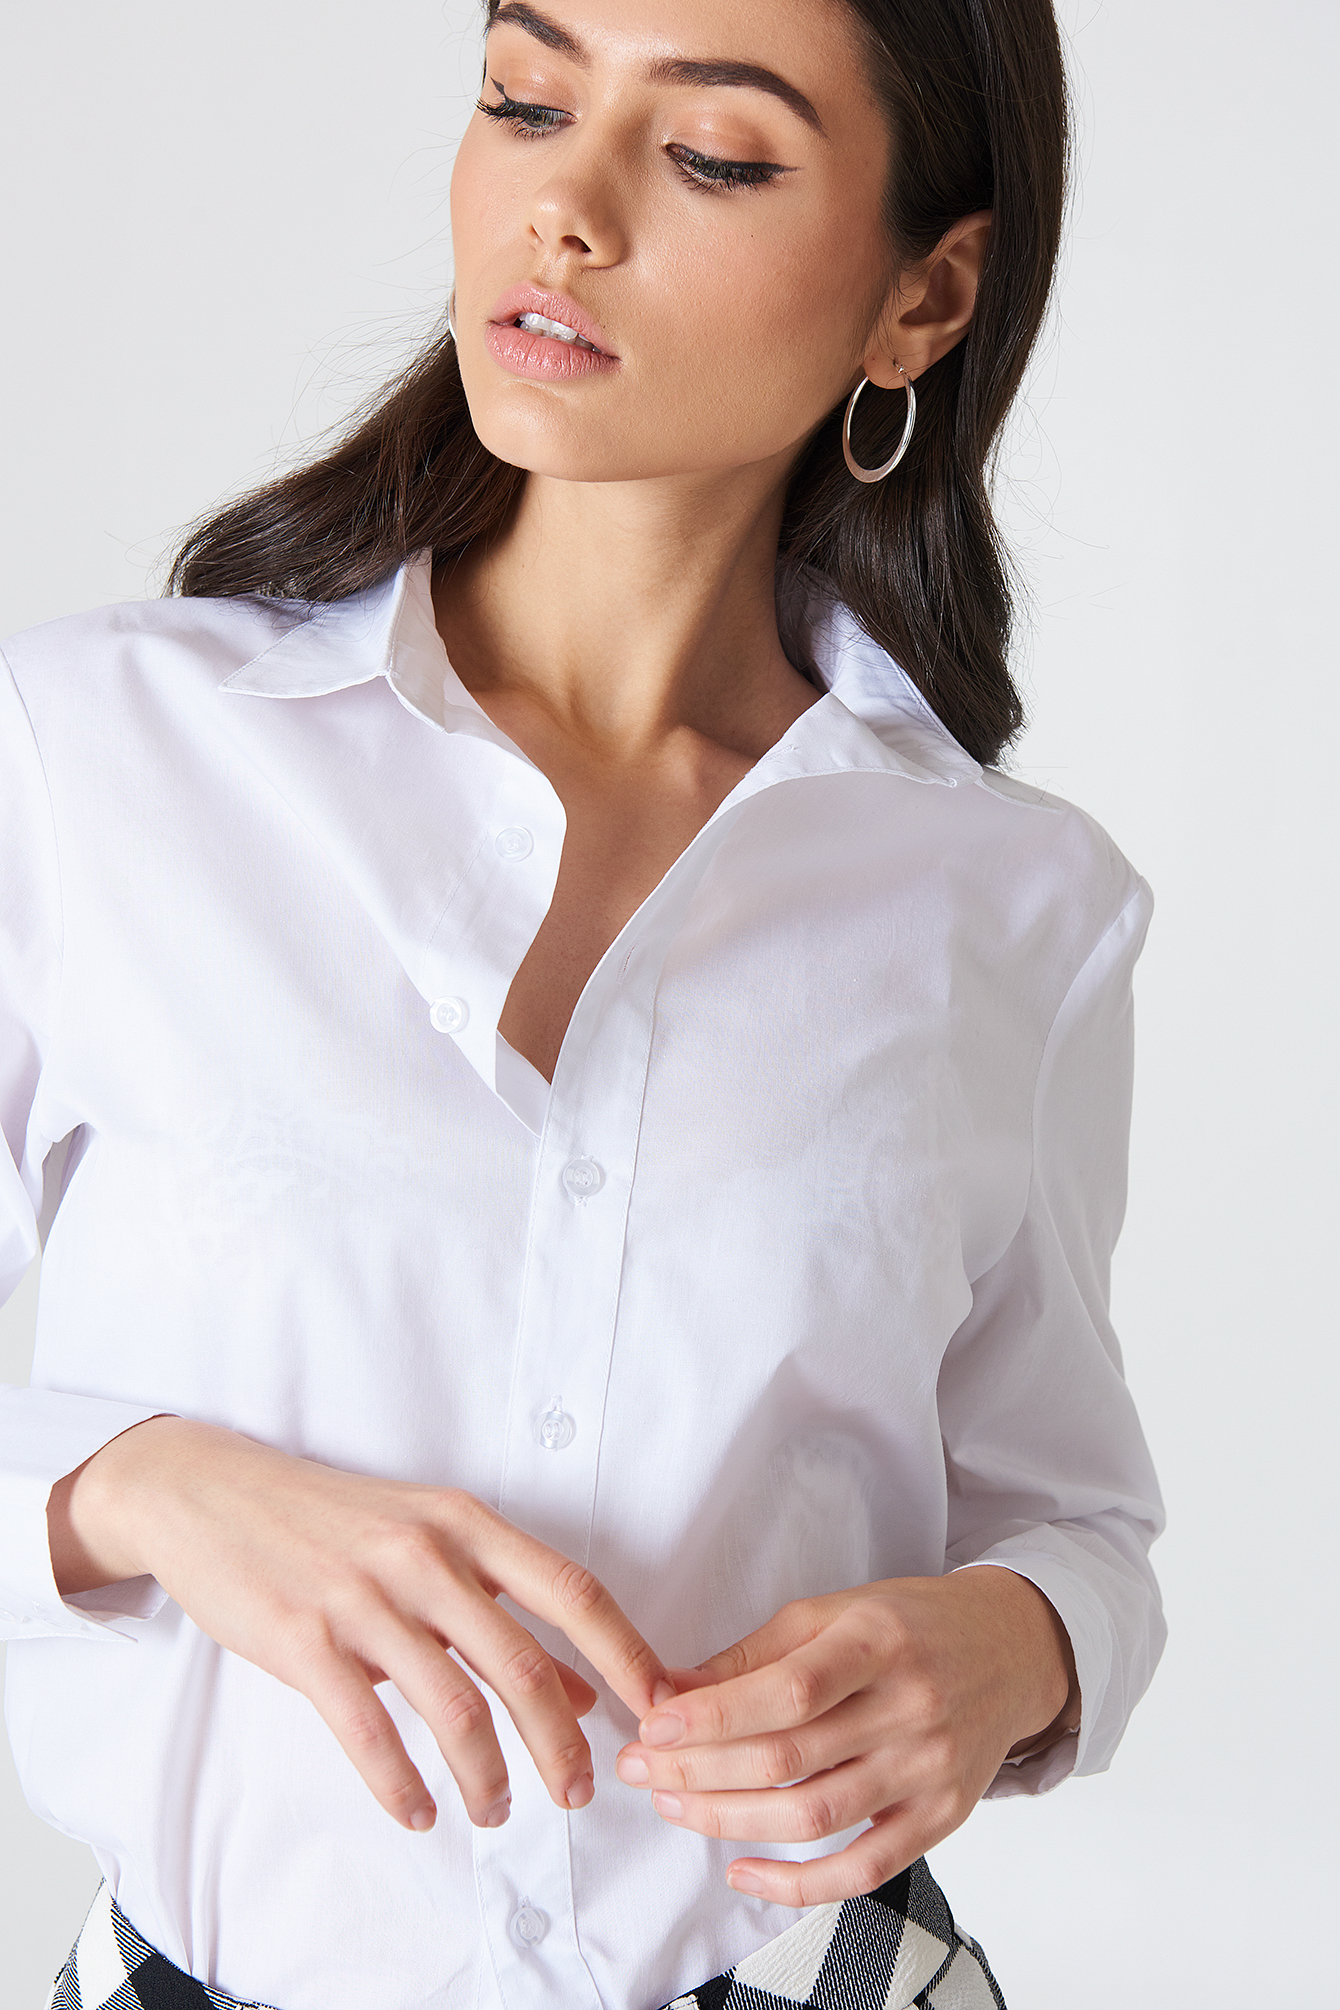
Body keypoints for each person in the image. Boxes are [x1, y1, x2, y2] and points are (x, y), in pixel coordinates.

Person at [0, 0, 1165, 2005]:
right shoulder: (89, 755)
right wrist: (138, 1487)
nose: (566, 208)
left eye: (711, 155)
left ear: (923, 297)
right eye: (526, 102)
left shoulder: (1014, 909)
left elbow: (1075, 1522)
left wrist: (1019, 1647)